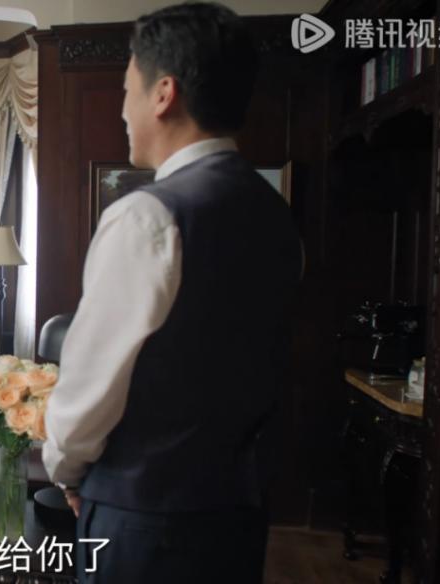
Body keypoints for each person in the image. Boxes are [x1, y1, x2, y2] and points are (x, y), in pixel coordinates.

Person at [42, 3, 301, 583]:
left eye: (126, 90)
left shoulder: (147, 217)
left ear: (164, 93)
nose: (122, 109)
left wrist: (66, 470)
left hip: (143, 521)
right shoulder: (276, 214)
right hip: (237, 513)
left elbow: (91, 388)